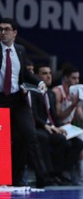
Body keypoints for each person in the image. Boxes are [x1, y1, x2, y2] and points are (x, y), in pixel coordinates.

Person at [0, 17, 53, 188]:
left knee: (30, 136)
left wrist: (39, 82)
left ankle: (42, 179)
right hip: (0, 100)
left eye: (7, 29)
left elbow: (25, 74)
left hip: (17, 100)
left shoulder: (20, 50)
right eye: (0, 29)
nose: (3, 32)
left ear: (14, 33)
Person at [30, 63, 83, 185]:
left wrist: (61, 127)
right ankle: (51, 174)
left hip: (52, 127)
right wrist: (47, 126)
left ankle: (63, 172)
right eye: (44, 73)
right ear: (36, 76)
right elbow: (34, 114)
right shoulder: (33, 93)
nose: (48, 76)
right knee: (61, 140)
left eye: (50, 73)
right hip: (41, 127)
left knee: (78, 143)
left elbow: (54, 116)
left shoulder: (50, 93)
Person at [52, 64, 83, 186]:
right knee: (79, 138)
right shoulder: (57, 92)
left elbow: (82, 120)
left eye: (78, 78)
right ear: (65, 78)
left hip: (69, 128)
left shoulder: (75, 93)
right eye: (74, 78)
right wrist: (73, 105)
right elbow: (58, 117)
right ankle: (81, 174)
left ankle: (79, 172)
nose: (77, 81)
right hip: (57, 126)